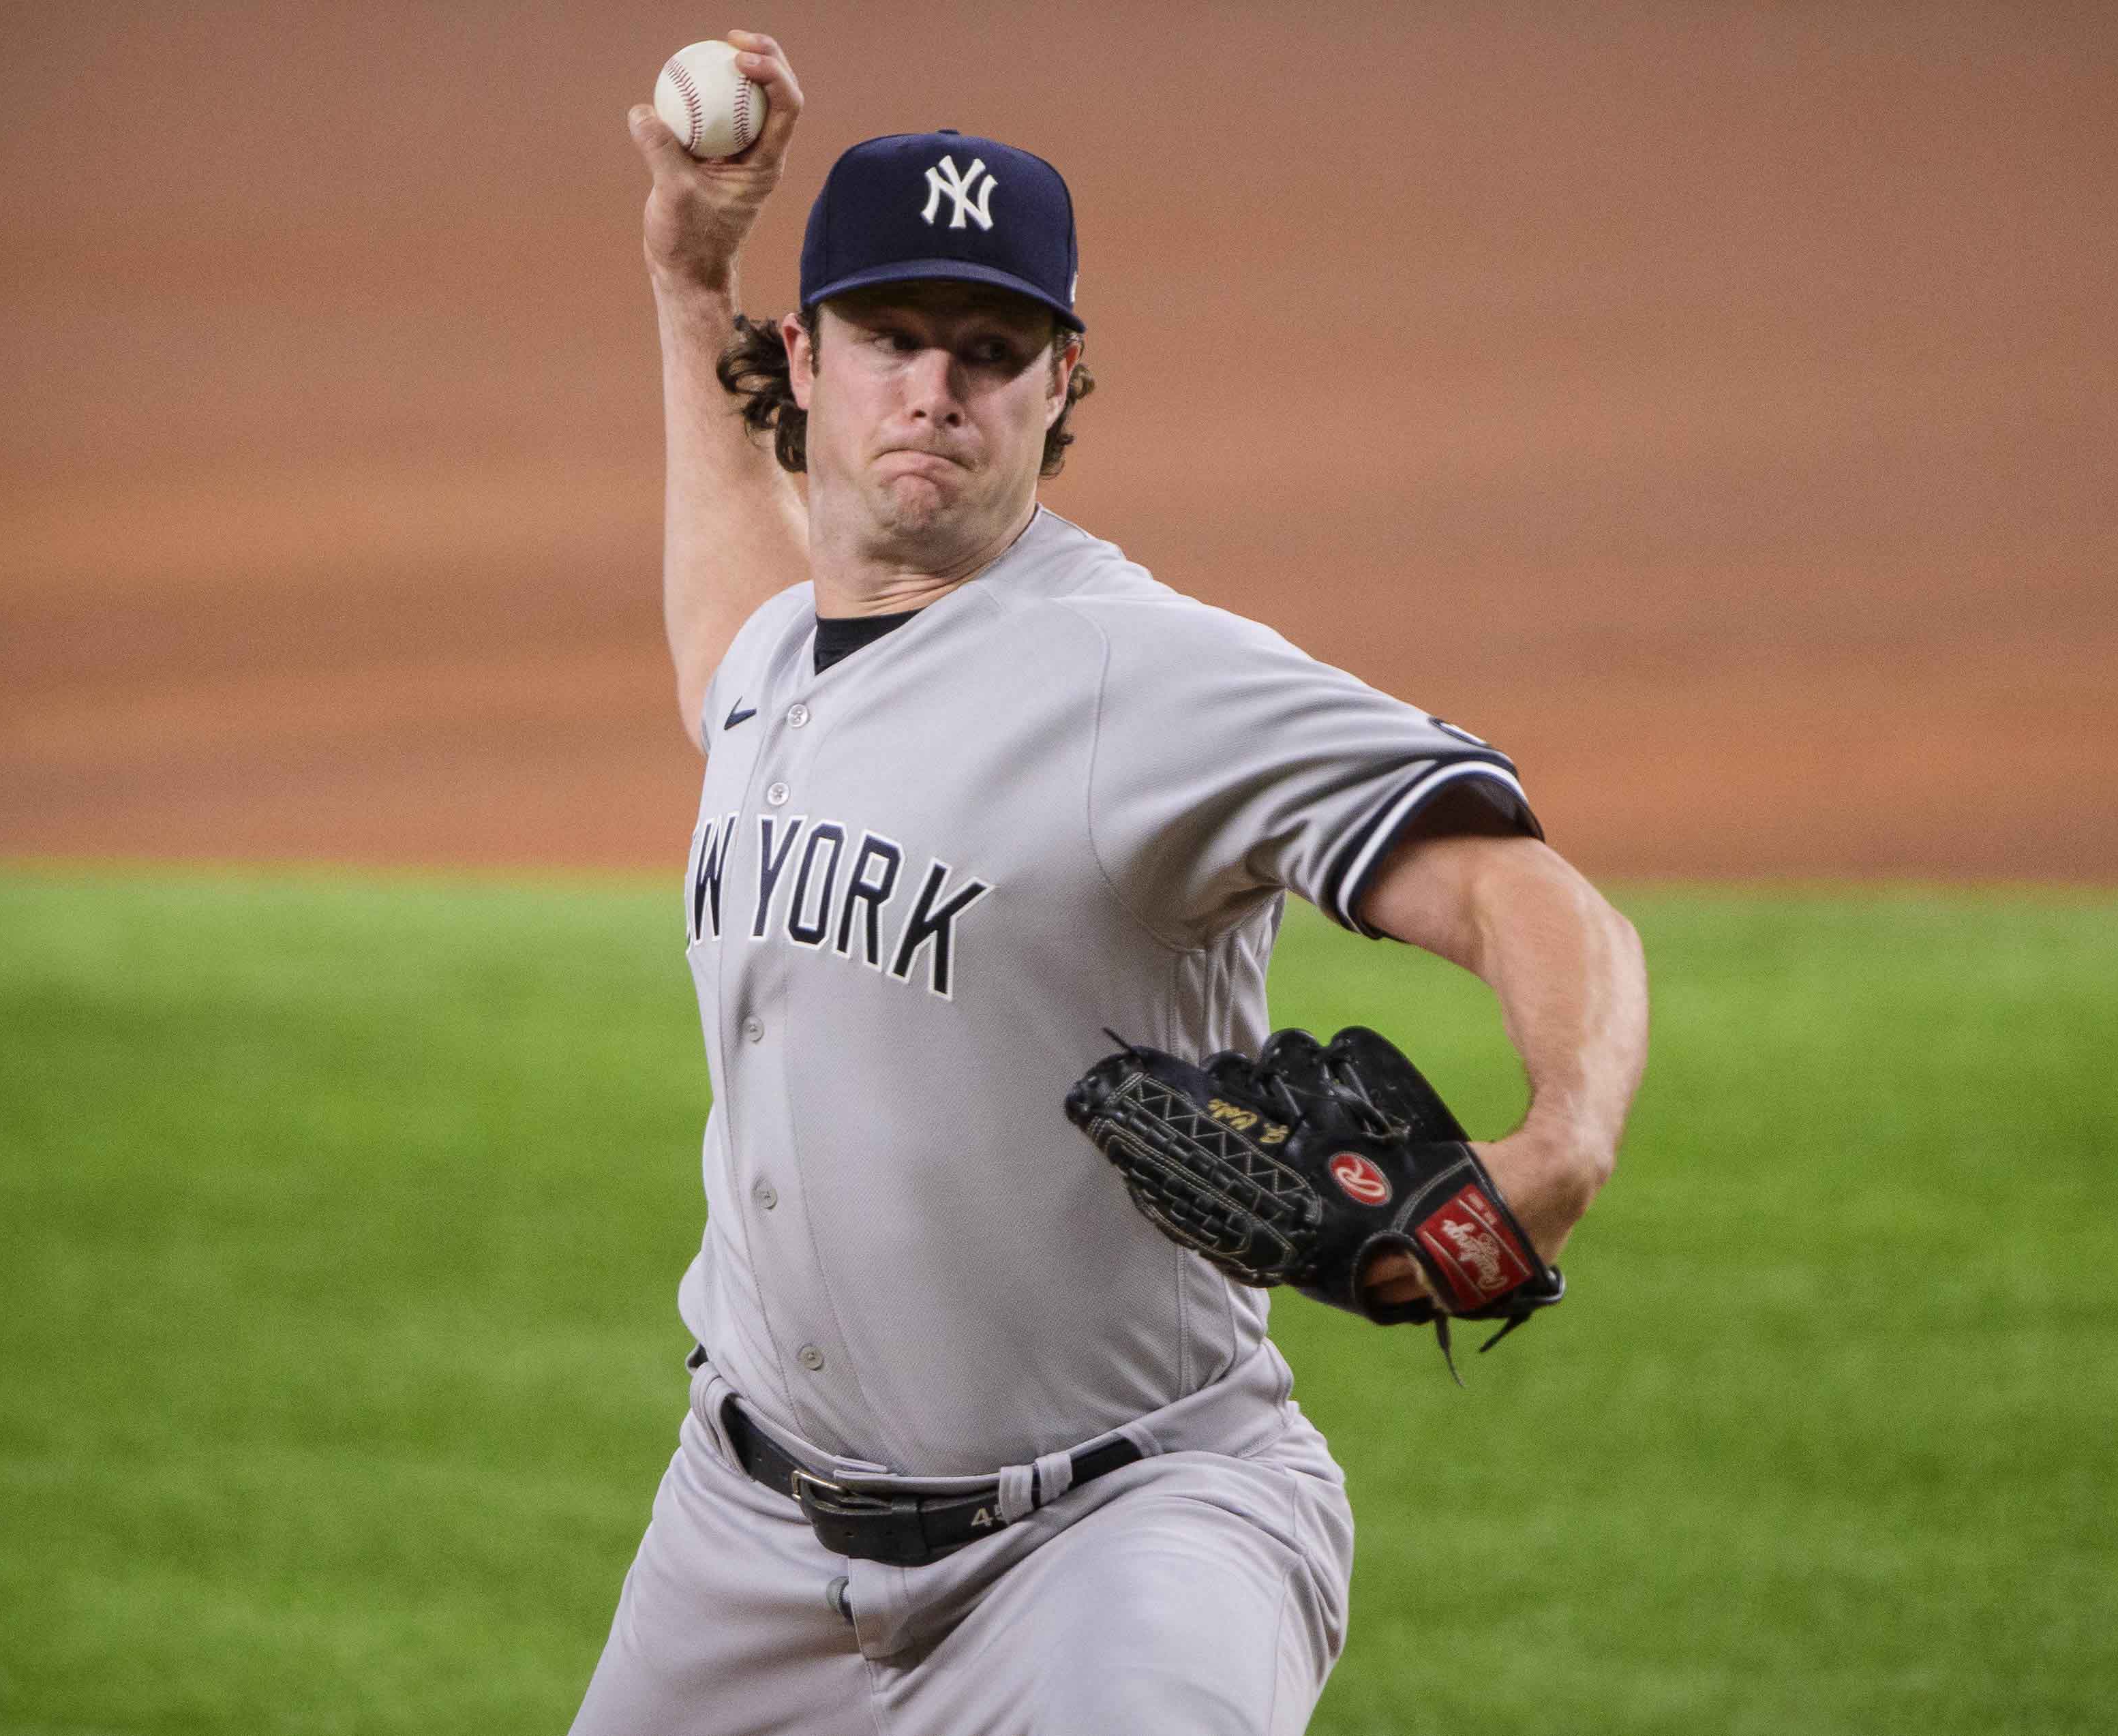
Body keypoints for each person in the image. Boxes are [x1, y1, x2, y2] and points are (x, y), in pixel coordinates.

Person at [577, 31, 1649, 1734]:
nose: (934, 386)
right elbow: (730, 616)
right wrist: (682, 270)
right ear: (809, 354)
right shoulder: (784, 655)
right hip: (745, 1543)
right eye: (891, 338)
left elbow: (1524, 888)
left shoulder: (1142, 673)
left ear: (1061, 383)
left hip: (1120, 1530)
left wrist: (1562, 1136)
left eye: (991, 350)